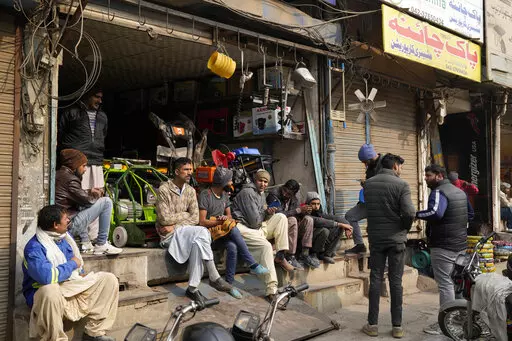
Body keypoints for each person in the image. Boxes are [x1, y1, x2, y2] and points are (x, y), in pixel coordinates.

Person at [22, 205, 119, 341]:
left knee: (108, 280)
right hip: (45, 296)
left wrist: (80, 274)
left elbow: (76, 267)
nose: (68, 220)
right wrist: (72, 264)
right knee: (51, 291)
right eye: (65, 218)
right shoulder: (34, 248)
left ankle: (94, 334)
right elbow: (47, 277)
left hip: (69, 287)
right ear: (55, 225)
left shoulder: (64, 239)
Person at [156, 157, 233, 304]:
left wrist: (176, 224)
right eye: (186, 170)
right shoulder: (164, 189)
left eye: (191, 169)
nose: (190, 172)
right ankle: (214, 277)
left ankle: (192, 288)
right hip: (168, 235)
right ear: (177, 171)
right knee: (202, 232)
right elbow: (165, 219)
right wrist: (184, 216)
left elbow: (195, 218)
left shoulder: (191, 191)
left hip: (182, 232)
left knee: (199, 240)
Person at [361, 154, 416, 338]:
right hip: (396, 240)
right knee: (396, 281)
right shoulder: (402, 185)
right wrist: (404, 228)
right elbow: (409, 212)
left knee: (375, 278)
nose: (401, 169)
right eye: (400, 166)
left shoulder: (368, 184)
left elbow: (369, 209)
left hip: (376, 239)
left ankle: (372, 325)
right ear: (394, 166)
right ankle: (397, 327)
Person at [416, 164, 473, 335]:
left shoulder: (439, 192)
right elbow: (470, 214)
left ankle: (445, 323)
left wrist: (416, 214)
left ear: (440, 176)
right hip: (460, 244)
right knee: (457, 282)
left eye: (428, 175)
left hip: (443, 246)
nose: (425, 178)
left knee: (446, 284)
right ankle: (461, 319)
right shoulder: (460, 192)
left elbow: (435, 213)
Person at [198, 167, 269, 299]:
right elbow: (202, 222)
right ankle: (252, 263)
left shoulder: (225, 195)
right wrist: (219, 222)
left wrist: (225, 219)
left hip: (222, 231)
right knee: (234, 228)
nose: (231, 183)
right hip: (208, 233)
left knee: (233, 247)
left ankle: (229, 285)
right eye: (229, 180)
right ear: (223, 181)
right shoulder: (205, 195)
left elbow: (229, 217)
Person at [231, 169, 294, 302]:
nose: (263, 184)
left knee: (281, 217)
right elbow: (254, 222)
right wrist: (265, 212)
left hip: (257, 227)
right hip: (243, 228)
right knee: (266, 246)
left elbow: (259, 217)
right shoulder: (247, 192)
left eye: (266, 182)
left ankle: (281, 255)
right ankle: (271, 290)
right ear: (255, 179)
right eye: (261, 180)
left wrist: (269, 212)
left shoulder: (261, 193)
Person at [58, 87, 107, 240]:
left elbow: (103, 135)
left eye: (101, 98)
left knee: (97, 197)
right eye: (96, 97)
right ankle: (82, 238)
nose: (99, 101)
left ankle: (93, 238)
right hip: (77, 162)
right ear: (86, 96)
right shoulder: (71, 112)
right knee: (80, 198)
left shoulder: (103, 117)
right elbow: (60, 134)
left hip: (96, 160)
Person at [55, 149, 122, 255]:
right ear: (74, 165)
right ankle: (101, 243)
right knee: (106, 202)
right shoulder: (71, 179)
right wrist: (96, 193)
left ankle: (85, 242)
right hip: (69, 225)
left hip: (60, 222)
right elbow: (89, 201)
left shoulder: (58, 175)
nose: (85, 169)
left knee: (81, 206)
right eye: (83, 166)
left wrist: (89, 191)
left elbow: (77, 195)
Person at [266, 179, 317, 269]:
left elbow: (297, 214)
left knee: (309, 219)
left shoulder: (294, 199)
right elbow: (279, 215)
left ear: (293, 194)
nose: (285, 194)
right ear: (283, 187)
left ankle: (304, 254)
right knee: (292, 220)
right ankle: (290, 256)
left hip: (290, 228)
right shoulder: (274, 195)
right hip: (276, 227)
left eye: (289, 194)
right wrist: (298, 210)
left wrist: (305, 212)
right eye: (284, 191)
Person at [345, 144, 384, 255]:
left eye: (364, 161)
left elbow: (384, 185)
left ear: (370, 157)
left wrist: (368, 184)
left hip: (380, 204)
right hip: (368, 201)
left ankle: (384, 263)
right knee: (350, 216)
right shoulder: (371, 165)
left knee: (377, 232)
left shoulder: (385, 164)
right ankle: (360, 245)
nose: (364, 164)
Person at [305, 192, 353, 264]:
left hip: (319, 241)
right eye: (313, 204)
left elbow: (337, 217)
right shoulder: (305, 215)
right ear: (308, 204)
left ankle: (326, 254)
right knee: (325, 231)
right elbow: (320, 221)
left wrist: (348, 227)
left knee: (339, 228)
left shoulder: (320, 214)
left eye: (318, 204)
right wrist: (339, 224)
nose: (316, 206)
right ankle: (313, 254)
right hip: (308, 243)